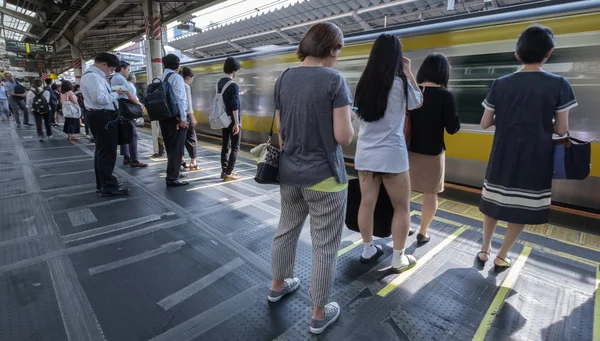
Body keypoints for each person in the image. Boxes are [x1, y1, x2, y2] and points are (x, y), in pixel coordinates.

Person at [269, 22, 355, 335]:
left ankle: (278, 284)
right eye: (338, 51)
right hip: (325, 179)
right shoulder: (334, 80)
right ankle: (319, 313)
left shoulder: (284, 77)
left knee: (286, 230)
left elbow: (281, 130)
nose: (337, 58)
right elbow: (343, 136)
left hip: (290, 174)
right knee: (324, 247)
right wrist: (351, 122)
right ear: (330, 49)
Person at [477, 25, 574, 271]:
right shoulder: (560, 84)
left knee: (494, 203)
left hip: (502, 154)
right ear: (549, 53)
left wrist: (509, 116)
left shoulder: (500, 83)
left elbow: (485, 122)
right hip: (536, 158)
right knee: (520, 208)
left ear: (517, 54)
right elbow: (562, 130)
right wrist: (538, 119)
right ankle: (502, 255)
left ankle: (484, 250)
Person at [353, 34, 423, 272]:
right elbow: (418, 102)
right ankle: (398, 258)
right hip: (392, 156)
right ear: (396, 56)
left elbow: (356, 114)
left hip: (365, 155)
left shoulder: (364, 84)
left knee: (367, 203)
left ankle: (367, 248)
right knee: (402, 207)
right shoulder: (400, 83)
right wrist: (408, 71)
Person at [407, 53, 460, 244]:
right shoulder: (445, 96)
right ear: (443, 73)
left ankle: (404, 226)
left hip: (408, 150)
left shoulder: (412, 92)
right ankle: (423, 231)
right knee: (430, 194)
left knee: (405, 190)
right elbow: (452, 129)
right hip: (433, 152)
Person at [81, 52, 130, 196]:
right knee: (107, 153)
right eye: (111, 69)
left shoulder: (91, 76)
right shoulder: (93, 77)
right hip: (103, 118)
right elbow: (100, 99)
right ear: (103, 64)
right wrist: (117, 93)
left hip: (99, 117)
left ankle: (103, 183)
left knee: (101, 152)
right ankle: (109, 186)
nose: (112, 72)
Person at [158, 54, 189, 187]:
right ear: (178, 66)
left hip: (163, 117)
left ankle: (173, 173)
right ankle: (172, 177)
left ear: (164, 65)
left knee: (170, 147)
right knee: (176, 148)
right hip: (175, 118)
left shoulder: (159, 78)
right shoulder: (176, 78)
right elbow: (181, 100)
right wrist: (183, 119)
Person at [111, 61, 147, 168]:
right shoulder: (121, 78)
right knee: (132, 135)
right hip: (126, 109)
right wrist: (140, 104)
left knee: (125, 133)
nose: (128, 72)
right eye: (128, 69)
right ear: (122, 69)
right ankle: (134, 160)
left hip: (120, 109)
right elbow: (130, 96)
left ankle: (127, 157)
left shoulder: (114, 78)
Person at [218, 57, 242, 181]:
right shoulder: (234, 85)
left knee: (225, 145)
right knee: (235, 147)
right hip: (233, 120)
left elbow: (225, 99)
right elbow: (234, 105)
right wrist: (237, 123)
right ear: (234, 70)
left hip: (223, 119)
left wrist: (238, 94)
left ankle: (224, 171)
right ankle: (229, 173)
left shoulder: (220, 83)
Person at [180, 66, 200, 170]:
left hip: (177, 117)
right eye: (192, 78)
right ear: (188, 77)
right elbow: (188, 104)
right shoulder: (186, 86)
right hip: (186, 117)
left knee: (181, 139)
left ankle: (181, 160)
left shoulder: (177, 84)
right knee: (192, 138)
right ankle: (193, 162)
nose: (192, 81)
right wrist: (192, 117)